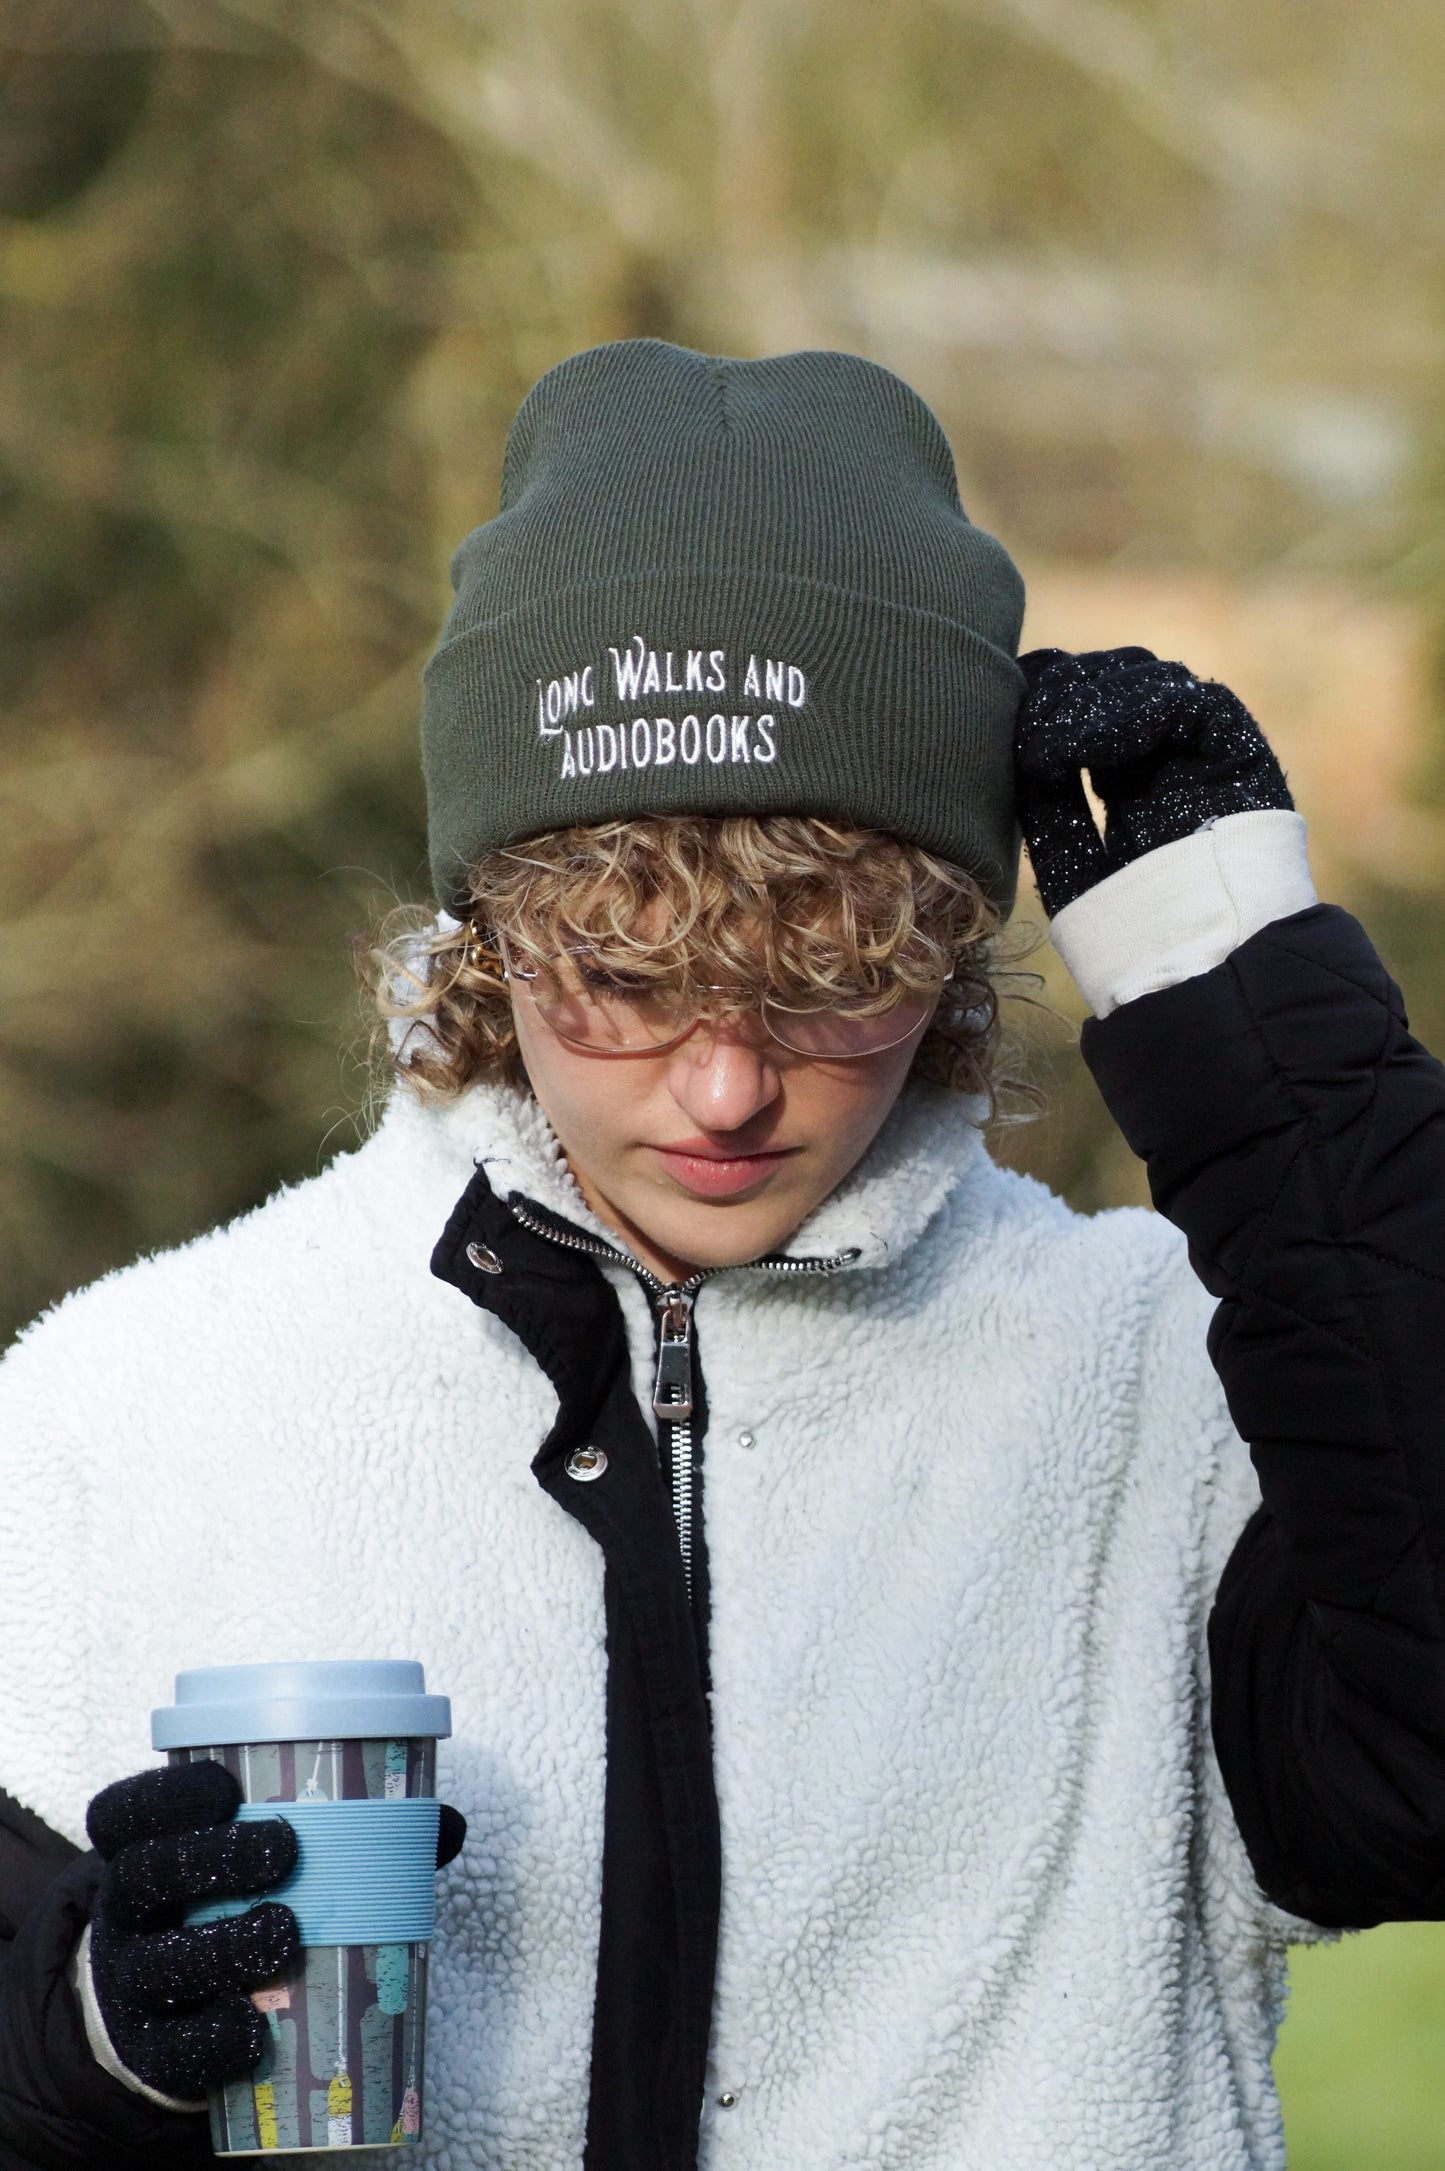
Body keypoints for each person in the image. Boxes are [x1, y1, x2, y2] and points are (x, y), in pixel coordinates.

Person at [1, 337, 1443, 2171]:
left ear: (949, 957)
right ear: (483, 936)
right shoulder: (115, 1412)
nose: (727, 1082)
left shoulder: (1170, 1391)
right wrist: (81, 2041)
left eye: (829, 981)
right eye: (622, 974)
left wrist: (1252, 1019)